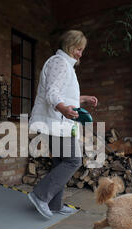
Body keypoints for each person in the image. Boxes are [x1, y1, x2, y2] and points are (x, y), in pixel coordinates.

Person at [27, 30, 98, 219]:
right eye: (78, 49)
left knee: (60, 162)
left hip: (60, 122)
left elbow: (66, 97)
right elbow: (52, 92)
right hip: (56, 123)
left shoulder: (67, 66)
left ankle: (55, 204)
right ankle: (40, 195)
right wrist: (63, 109)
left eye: (82, 50)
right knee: (73, 160)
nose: (80, 54)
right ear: (69, 46)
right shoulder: (59, 63)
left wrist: (83, 99)